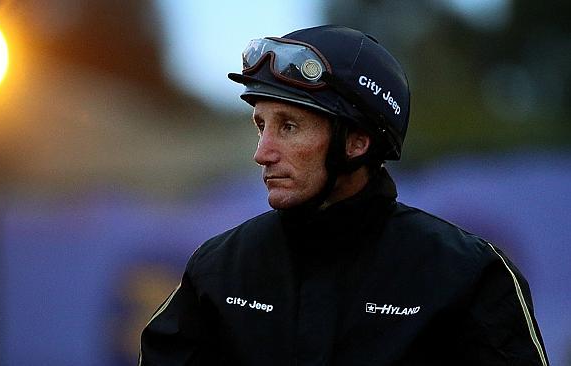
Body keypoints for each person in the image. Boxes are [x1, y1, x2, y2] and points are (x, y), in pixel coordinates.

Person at [139, 25, 548, 365]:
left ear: (357, 142)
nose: (262, 153)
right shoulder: (218, 268)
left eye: (289, 127)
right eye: (260, 125)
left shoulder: (468, 275)